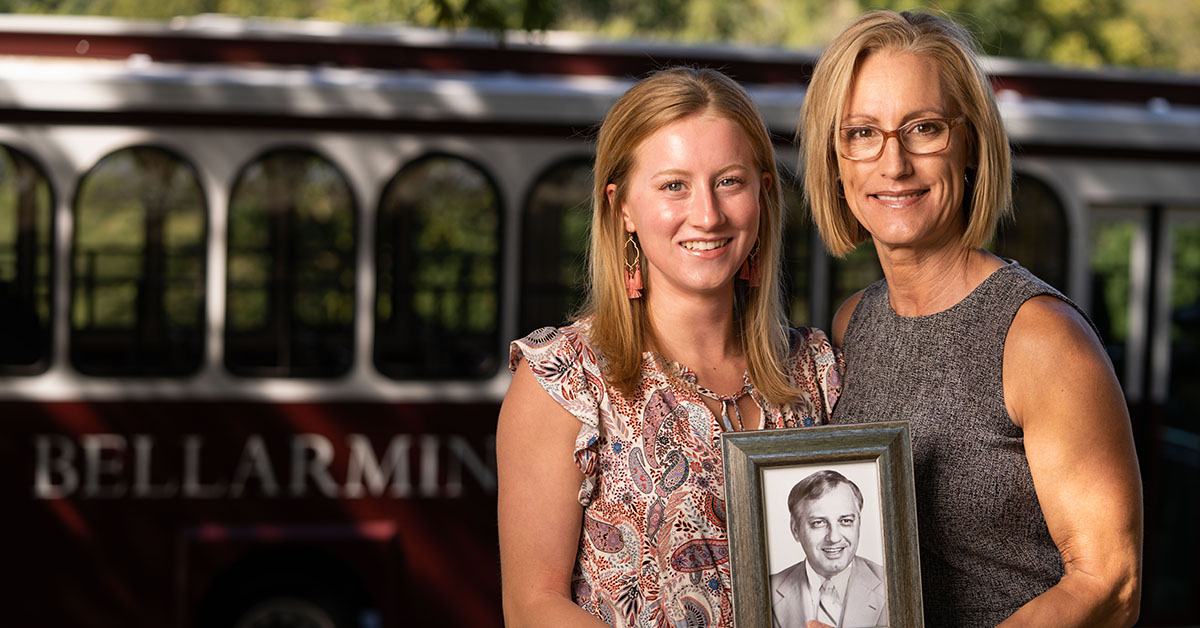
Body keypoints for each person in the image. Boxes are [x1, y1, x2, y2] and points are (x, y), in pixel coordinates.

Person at [799, 10, 1143, 628]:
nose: (893, 163)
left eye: (924, 128)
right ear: (836, 158)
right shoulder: (855, 323)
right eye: (862, 133)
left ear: (970, 146)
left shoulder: (1039, 336)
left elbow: (1111, 582)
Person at [497, 67, 843, 628]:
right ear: (623, 207)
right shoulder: (562, 381)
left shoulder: (818, 371)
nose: (707, 215)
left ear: (763, 191)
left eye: (729, 181)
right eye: (673, 185)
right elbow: (533, 607)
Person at [771, 470, 886, 628]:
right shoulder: (765, 591)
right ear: (795, 529)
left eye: (845, 521)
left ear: (859, 523)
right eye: (819, 523)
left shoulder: (892, 585)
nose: (834, 537)